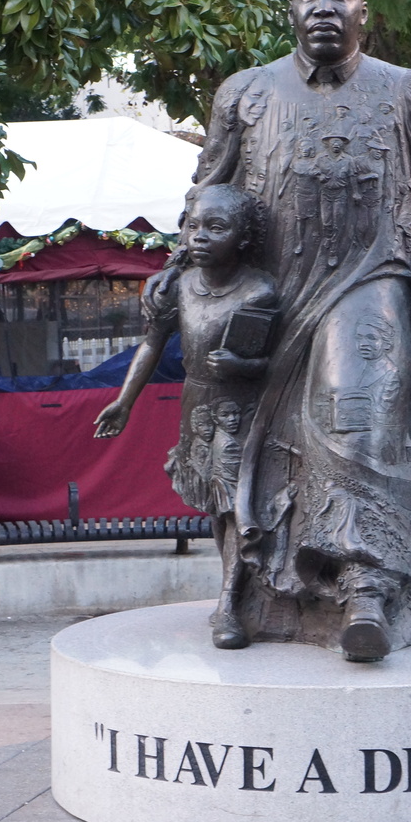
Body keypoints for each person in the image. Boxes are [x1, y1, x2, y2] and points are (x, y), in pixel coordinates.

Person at [141, 0, 411, 660]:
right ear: (291, 7)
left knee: (356, 415)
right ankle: (251, 589)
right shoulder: (245, 94)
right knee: (246, 445)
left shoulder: (409, 93)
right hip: (267, 295)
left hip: (370, 283)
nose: (323, 9)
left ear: (364, 10)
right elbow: (209, 192)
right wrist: (179, 267)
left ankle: (367, 589)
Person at [95, 183, 278, 648]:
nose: (200, 237)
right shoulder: (179, 285)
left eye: (216, 228)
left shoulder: (258, 290)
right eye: (194, 226)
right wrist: (124, 401)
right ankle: (231, 591)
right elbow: (152, 344)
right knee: (215, 507)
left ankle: (230, 605)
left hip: (239, 410)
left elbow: (273, 363)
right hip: (196, 405)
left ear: (242, 238)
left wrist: (242, 366)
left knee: (236, 504)